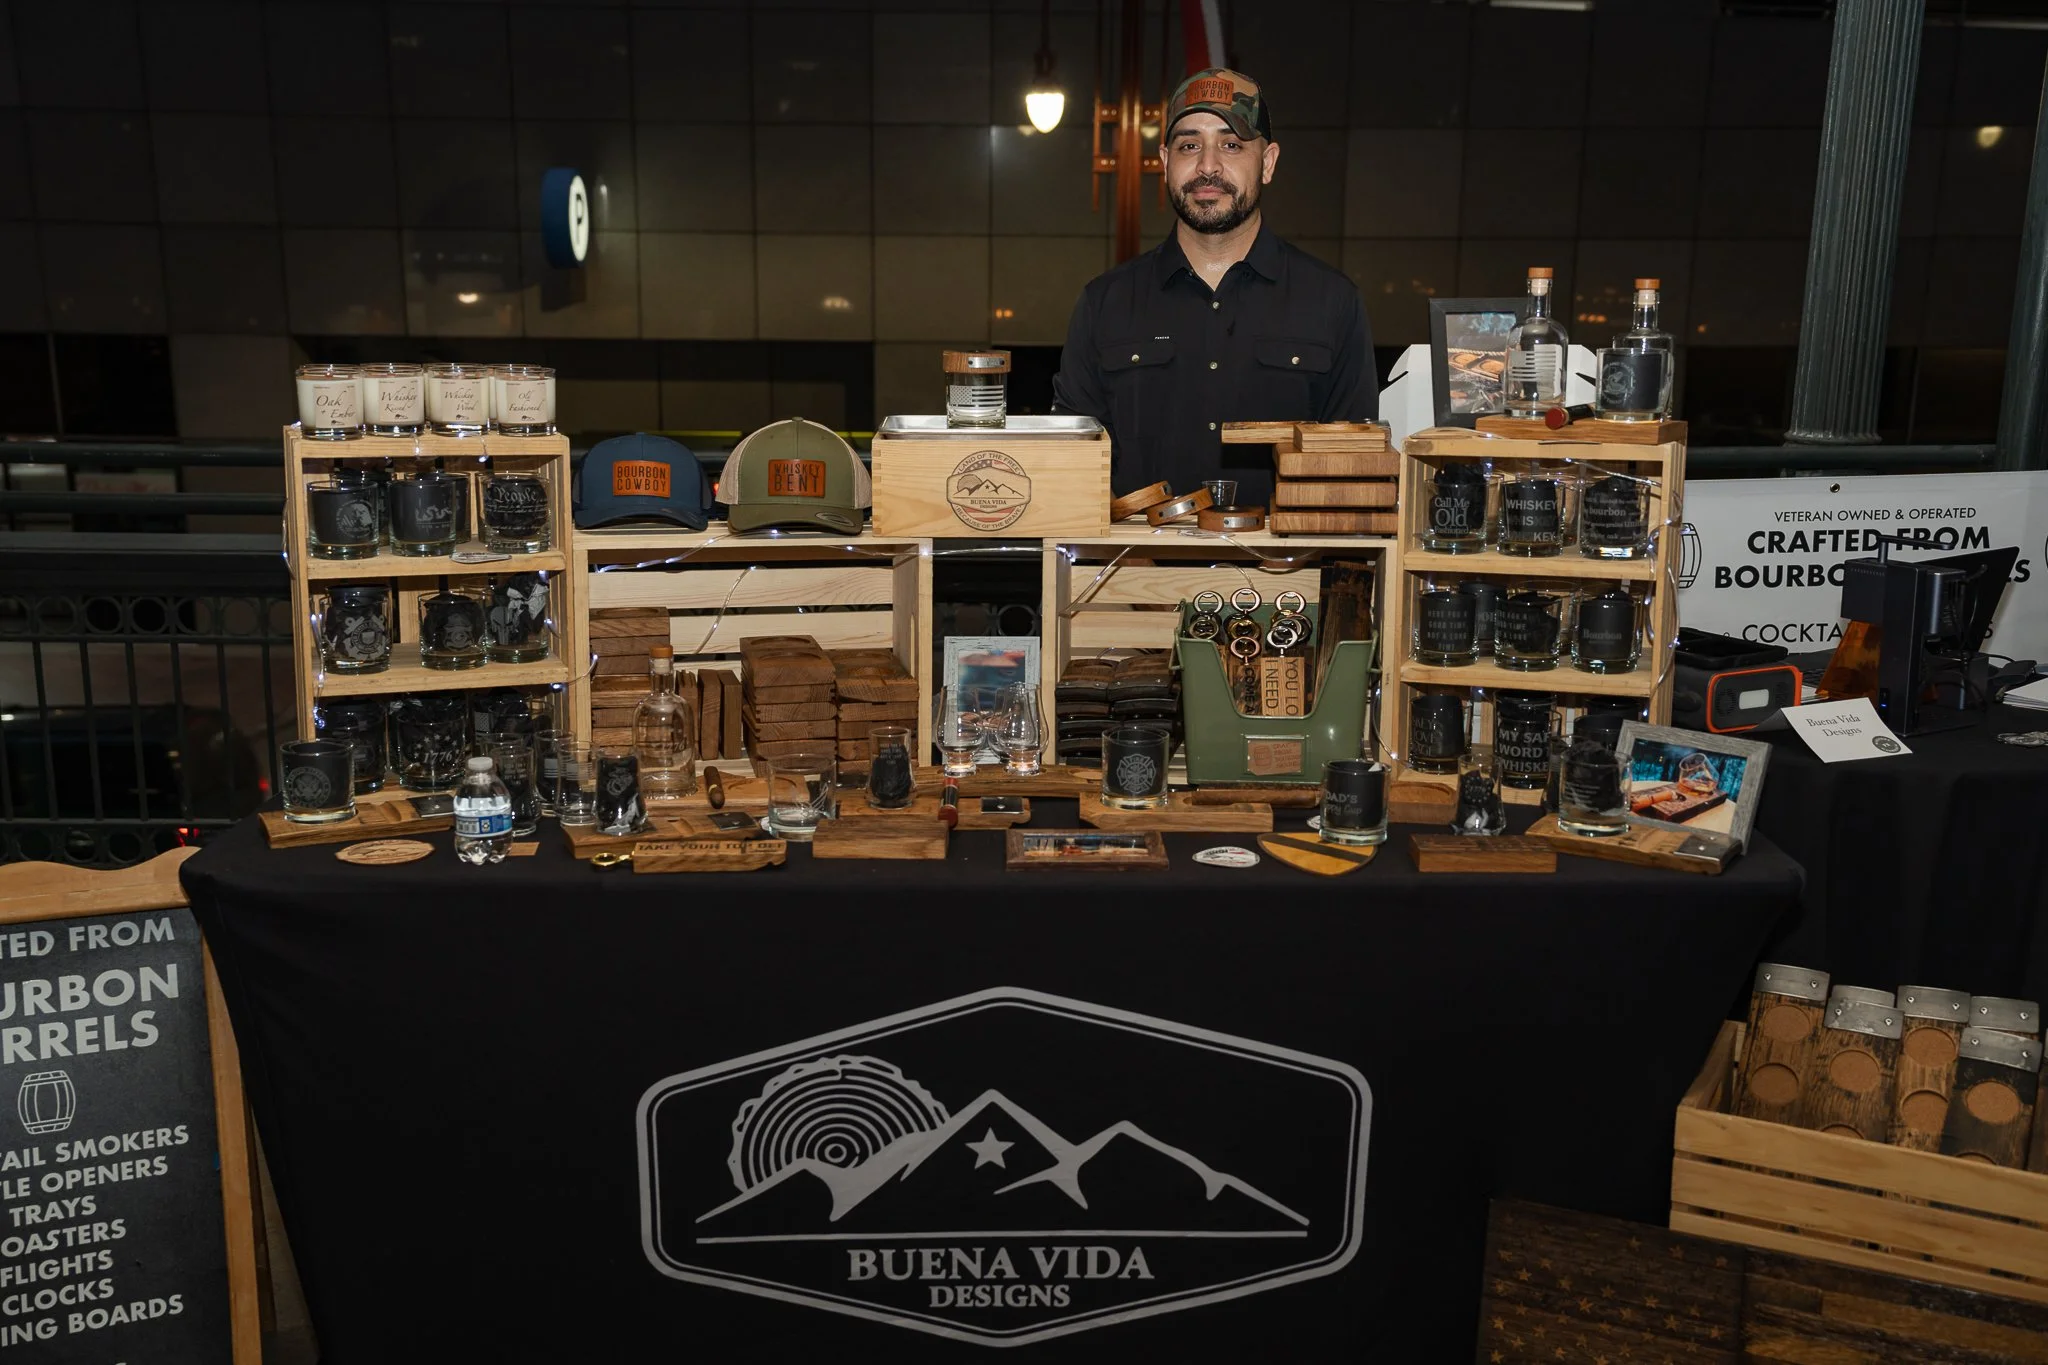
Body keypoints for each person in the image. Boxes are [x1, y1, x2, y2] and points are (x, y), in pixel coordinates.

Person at [1052, 68, 1378, 510]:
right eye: (1189, 146)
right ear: (1165, 162)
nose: (1208, 167)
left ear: (1267, 162)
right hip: (1137, 555)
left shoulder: (1332, 303)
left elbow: (1354, 470)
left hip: (1282, 555)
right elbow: (1071, 463)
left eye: (1231, 145)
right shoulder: (1104, 303)